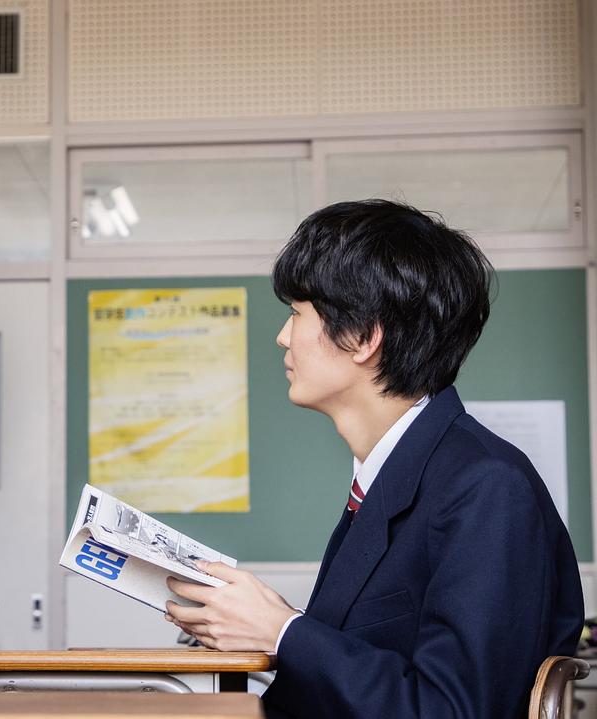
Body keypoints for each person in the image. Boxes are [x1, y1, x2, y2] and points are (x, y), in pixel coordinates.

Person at [165, 200, 583, 717]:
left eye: (297, 314)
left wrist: (283, 631)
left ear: (363, 337)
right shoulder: (398, 473)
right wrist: (265, 626)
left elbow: (452, 710)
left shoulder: (486, 487)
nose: (283, 336)